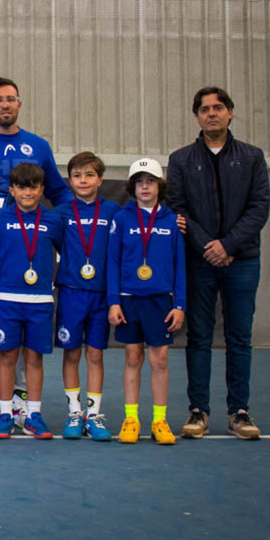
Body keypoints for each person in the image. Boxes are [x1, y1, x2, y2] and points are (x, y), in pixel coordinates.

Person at [0, 76, 72, 424]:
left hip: (25, 254)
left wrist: (61, 221)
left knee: (20, 326)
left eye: (11, 99)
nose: (5, 104)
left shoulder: (38, 146)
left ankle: (21, 399)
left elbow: (61, 194)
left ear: (19, 104)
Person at [166, 86, 270, 440]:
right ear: (196, 116)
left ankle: (239, 412)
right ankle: (198, 411)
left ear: (230, 113)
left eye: (218, 107)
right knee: (198, 337)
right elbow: (177, 209)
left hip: (242, 261)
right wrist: (207, 246)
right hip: (198, 262)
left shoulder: (253, 157)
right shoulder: (180, 160)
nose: (212, 113)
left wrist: (227, 245)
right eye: (205, 109)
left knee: (239, 337)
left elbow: (259, 208)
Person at [107, 159, 186, 445]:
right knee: (132, 357)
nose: (145, 186)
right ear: (132, 186)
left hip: (160, 301)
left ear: (159, 186)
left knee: (160, 359)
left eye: (150, 181)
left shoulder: (171, 220)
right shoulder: (122, 219)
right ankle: (131, 418)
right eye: (139, 181)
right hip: (128, 300)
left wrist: (180, 304)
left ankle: (159, 420)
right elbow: (112, 262)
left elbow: (180, 265)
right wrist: (113, 301)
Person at [0, 163, 64, 440]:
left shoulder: (53, 220)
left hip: (41, 300)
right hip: (7, 299)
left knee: (34, 358)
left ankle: (33, 415)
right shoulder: (0, 219)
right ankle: (5, 414)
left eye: (33, 186)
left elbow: (68, 251)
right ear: (11, 190)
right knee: (7, 357)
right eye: (21, 186)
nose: (27, 192)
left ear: (42, 189)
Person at [55, 152, 121, 441]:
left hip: (101, 294)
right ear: (70, 180)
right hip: (71, 292)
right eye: (77, 175)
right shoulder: (60, 212)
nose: (83, 180)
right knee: (72, 353)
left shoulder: (113, 212)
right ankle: (74, 412)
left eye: (89, 175)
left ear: (100, 179)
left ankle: (93, 415)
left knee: (95, 354)